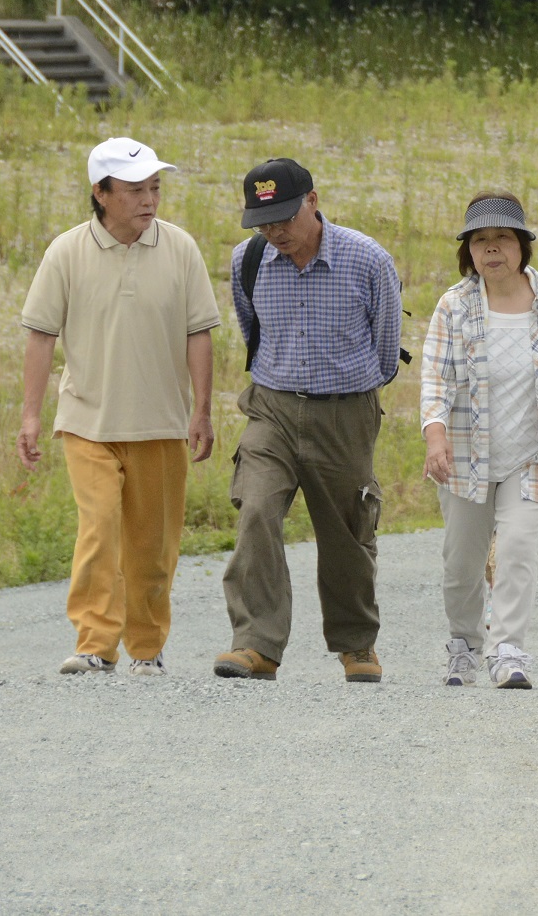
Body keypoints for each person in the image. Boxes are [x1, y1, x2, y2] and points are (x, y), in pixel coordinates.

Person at [16, 138, 219, 677]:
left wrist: (202, 411)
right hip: (88, 421)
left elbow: (200, 333)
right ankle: (95, 643)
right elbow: (40, 334)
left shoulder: (181, 249)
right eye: (134, 190)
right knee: (99, 529)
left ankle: (147, 648)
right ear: (100, 194)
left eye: (154, 188)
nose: (149, 199)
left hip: (161, 423)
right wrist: (31, 416)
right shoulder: (65, 251)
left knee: (152, 548)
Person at [219, 158, 402, 685]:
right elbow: (251, 328)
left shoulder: (368, 260)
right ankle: (256, 644)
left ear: (314, 202)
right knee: (255, 507)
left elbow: (387, 352)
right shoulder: (247, 261)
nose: (274, 232)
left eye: (284, 218)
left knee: (347, 531)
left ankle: (355, 644)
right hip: (272, 407)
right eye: (263, 222)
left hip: (345, 412)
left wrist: (347, 392)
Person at [419, 192, 538, 689]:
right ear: (468, 251)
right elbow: (433, 378)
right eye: (480, 240)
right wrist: (435, 439)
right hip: (462, 454)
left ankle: (508, 651)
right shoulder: (453, 305)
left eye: (502, 238)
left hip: (535, 454)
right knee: (462, 563)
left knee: (518, 548)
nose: (491, 249)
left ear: (522, 246)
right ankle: (464, 644)